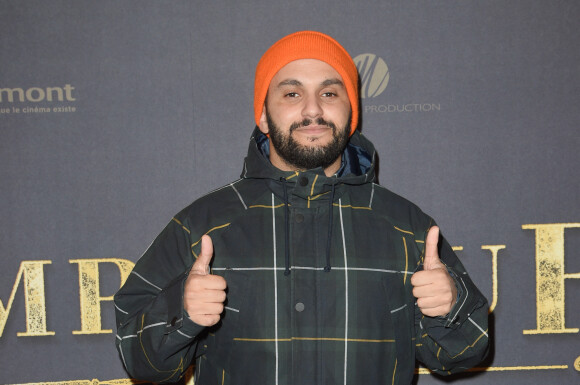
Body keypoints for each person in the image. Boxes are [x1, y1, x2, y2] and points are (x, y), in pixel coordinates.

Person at [114, 30, 489, 384]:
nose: (313, 110)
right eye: (292, 94)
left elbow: (463, 353)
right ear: (263, 115)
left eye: (329, 93)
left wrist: (451, 305)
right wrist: (182, 310)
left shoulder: (406, 225)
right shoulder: (203, 223)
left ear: (351, 112)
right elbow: (139, 360)